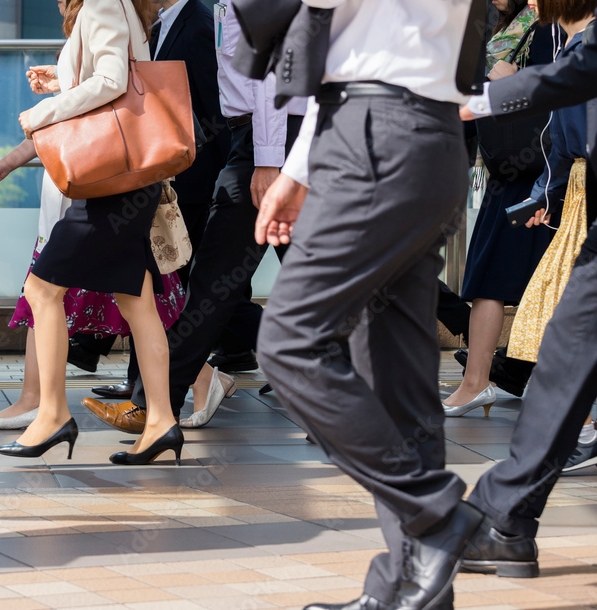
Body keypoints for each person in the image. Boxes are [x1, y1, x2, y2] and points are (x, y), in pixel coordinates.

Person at [249, 0, 488, 607]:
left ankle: (435, 514)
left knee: (290, 342)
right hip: (403, 134)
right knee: (398, 382)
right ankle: (410, 586)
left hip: (380, 139)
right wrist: (300, 168)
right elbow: (344, 58)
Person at [82, 1, 298, 432]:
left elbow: (272, 71)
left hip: (268, 141)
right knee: (218, 284)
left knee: (213, 283)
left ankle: (155, 407)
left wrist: (269, 160)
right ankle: (156, 407)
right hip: (257, 140)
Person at [0, 0, 184, 431]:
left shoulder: (103, 1)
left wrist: (42, 113)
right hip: (125, 181)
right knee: (138, 306)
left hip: (108, 184)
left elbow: (110, 81)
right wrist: (62, 83)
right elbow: (111, 83)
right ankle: (161, 424)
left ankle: (50, 414)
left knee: (42, 289)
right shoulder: (122, 5)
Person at [456, 0, 597, 575]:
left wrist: (482, 100)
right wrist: (546, 192)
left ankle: (505, 519)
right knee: (566, 360)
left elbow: (570, 80)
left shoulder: (581, 47)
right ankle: (506, 520)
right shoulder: (569, 42)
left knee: (565, 361)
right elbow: (567, 125)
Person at [444, 0, 557, 418]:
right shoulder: (512, 25)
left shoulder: (548, 27)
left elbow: (555, 91)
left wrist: (507, 80)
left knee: (525, 281)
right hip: (515, 170)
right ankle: (480, 381)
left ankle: (482, 382)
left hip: (540, 171)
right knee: (495, 277)